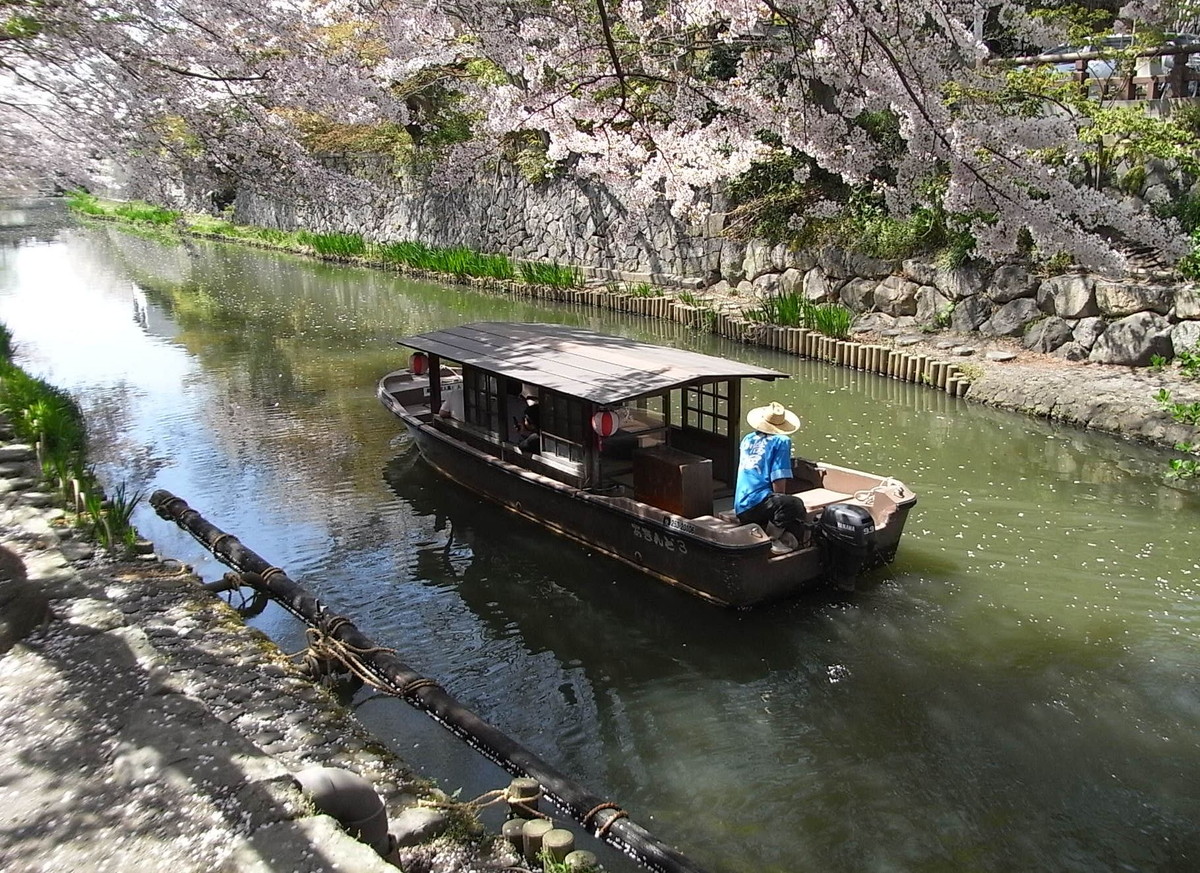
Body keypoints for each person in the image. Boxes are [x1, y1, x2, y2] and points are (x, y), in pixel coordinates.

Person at [735, 402, 807, 552]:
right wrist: (783, 502)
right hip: (758, 504)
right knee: (794, 505)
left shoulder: (747, 439)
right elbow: (778, 477)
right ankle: (772, 540)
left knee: (790, 512)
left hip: (741, 506)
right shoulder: (781, 441)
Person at [516, 384, 540, 452]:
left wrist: (521, 432)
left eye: (525, 419)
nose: (524, 421)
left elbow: (521, 446)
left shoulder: (534, 438)